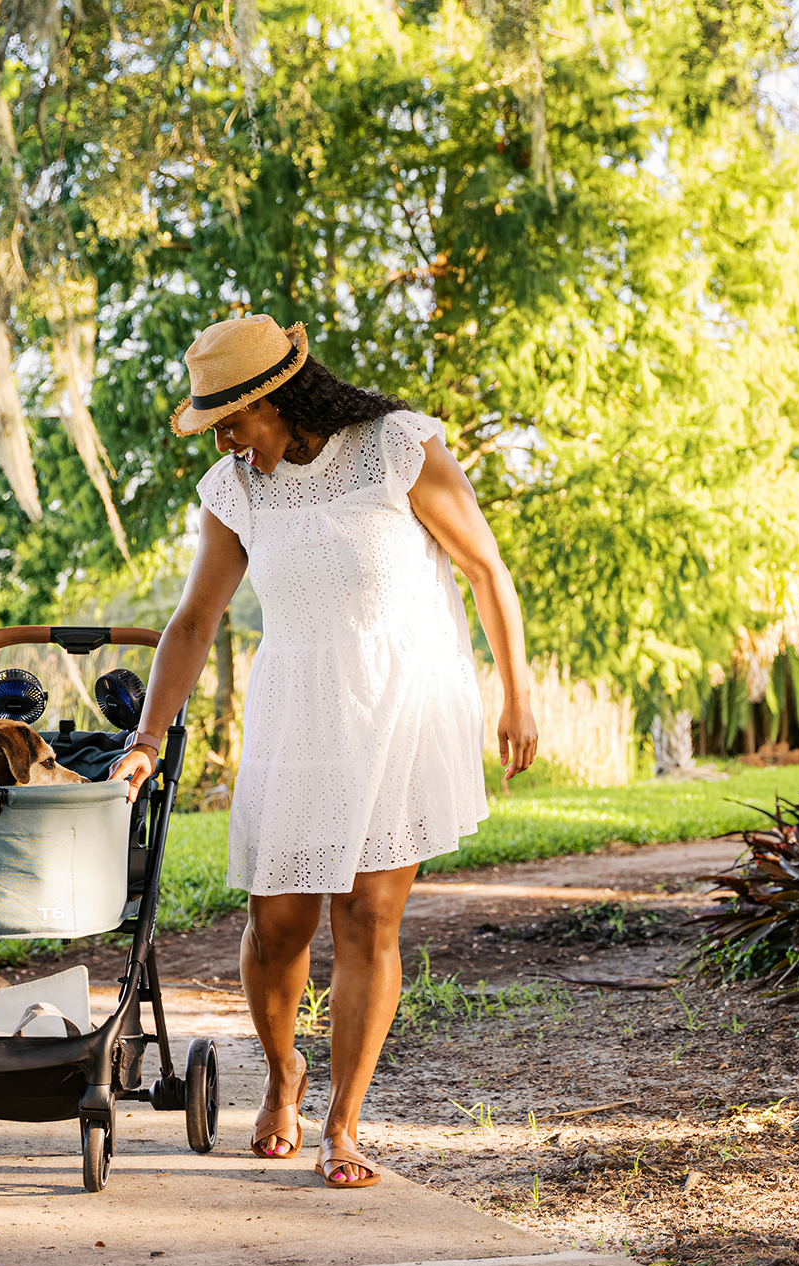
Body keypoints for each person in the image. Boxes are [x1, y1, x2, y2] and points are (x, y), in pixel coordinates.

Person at [108, 315, 538, 1188]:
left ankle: (343, 1123)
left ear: (278, 397)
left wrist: (517, 693)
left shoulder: (395, 447)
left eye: (232, 420)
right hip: (297, 712)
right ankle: (282, 1075)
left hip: (398, 707)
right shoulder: (238, 490)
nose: (225, 441)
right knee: (278, 925)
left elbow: (487, 568)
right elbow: (194, 621)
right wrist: (147, 733)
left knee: (369, 920)